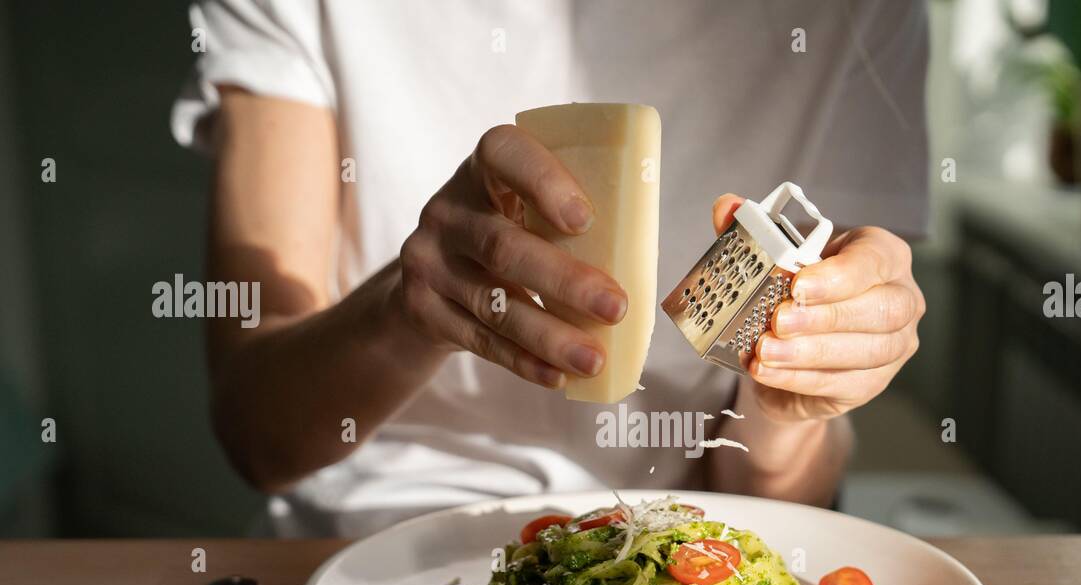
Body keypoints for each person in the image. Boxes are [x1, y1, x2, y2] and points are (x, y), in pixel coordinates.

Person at [172, 0, 929, 537]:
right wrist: (405, 312)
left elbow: (781, 485)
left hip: (677, 553)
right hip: (363, 561)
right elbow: (257, 435)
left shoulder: (853, 15)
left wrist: (783, 408)